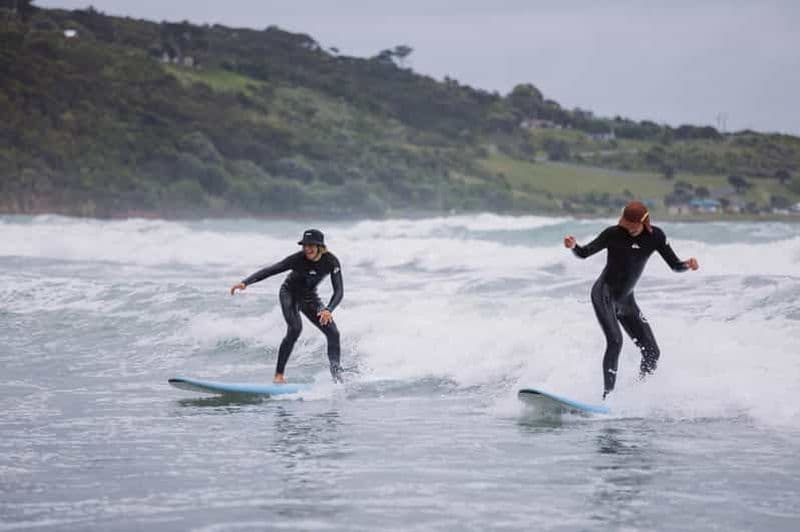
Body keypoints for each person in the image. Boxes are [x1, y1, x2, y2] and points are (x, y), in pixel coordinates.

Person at [564, 201, 699, 399]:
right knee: (615, 341)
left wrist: (687, 264)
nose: (628, 229)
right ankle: (606, 398)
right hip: (604, 294)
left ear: (644, 222)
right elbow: (585, 253)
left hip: (626, 301)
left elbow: (675, 265)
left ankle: (638, 394)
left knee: (652, 352)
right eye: (625, 224)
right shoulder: (613, 233)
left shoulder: (656, 237)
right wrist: (574, 246)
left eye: (632, 226)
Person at [230, 229, 343, 383]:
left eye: (311, 245)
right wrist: (245, 282)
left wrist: (328, 310)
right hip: (289, 293)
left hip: (309, 297)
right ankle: (279, 375)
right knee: (295, 328)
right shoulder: (297, 259)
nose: (307, 249)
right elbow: (271, 270)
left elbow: (339, 291)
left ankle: (337, 376)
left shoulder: (331, 262)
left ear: (320, 247)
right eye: (304, 245)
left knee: (333, 332)